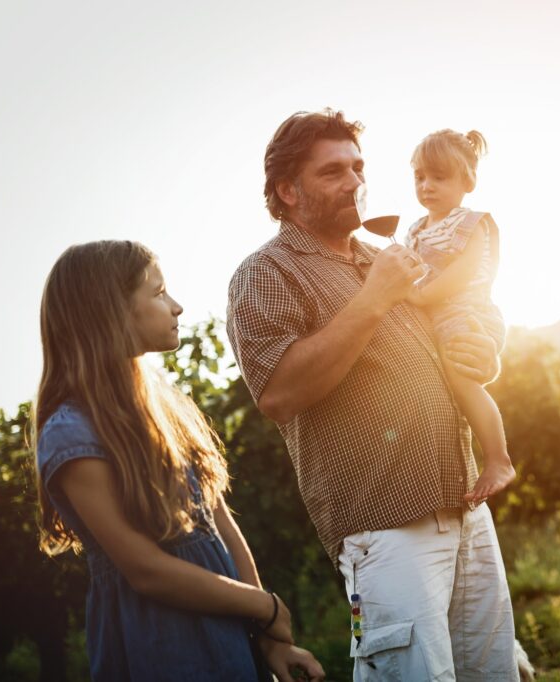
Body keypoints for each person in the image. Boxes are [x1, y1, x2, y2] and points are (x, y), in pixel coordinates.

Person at [227, 109, 520, 680]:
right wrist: (372, 301)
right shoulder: (266, 272)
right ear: (288, 190)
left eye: (358, 167)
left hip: (465, 508)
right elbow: (279, 393)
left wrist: (487, 349)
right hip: (385, 529)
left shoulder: (381, 256)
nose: (356, 182)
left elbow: (465, 310)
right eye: (333, 171)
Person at [33, 240, 324, 682]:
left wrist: (269, 635)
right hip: (160, 648)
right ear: (112, 312)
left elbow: (222, 524)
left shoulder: (169, 412)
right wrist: (262, 605)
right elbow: (146, 571)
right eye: (159, 292)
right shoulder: (71, 433)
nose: (177, 307)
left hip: (232, 642)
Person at [405, 128, 515, 503]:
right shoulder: (417, 230)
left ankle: (499, 459)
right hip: (436, 316)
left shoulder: (471, 221)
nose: (426, 186)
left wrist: (418, 296)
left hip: (468, 311)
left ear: (467, 181)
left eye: (438, 177)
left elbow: (461, 275)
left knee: (461, 376)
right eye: (420, 177)